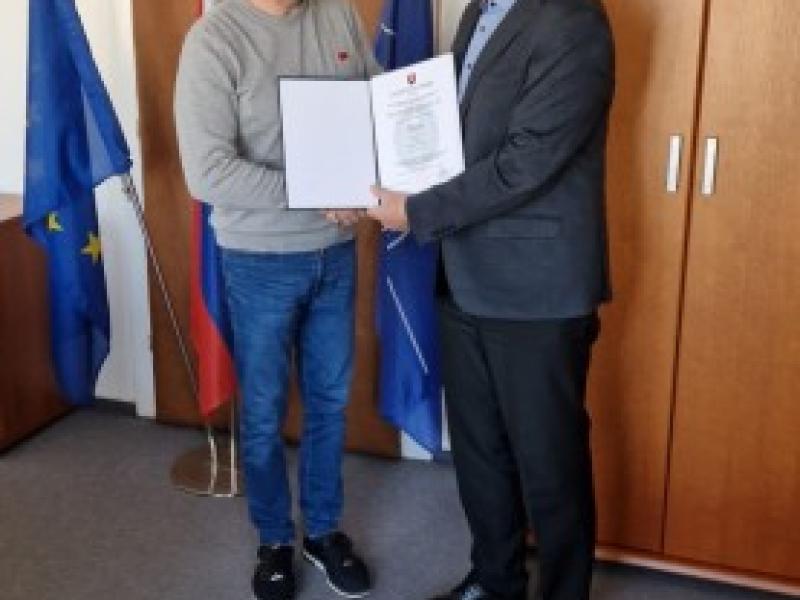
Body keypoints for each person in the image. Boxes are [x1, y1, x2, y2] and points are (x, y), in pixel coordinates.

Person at [368, 0, 614, 598]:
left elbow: (526, 161)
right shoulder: (481, 11)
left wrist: (416, 210)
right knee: (480, 452)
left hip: (538, 290)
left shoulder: (572, 19)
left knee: (549, 464)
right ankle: (496, 582)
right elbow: (453, 134)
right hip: (463, 271)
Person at [174, 1, 379, 599]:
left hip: (335, 253)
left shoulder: (338, 14)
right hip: (258, 258)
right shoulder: (214, 39)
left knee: (329, 403)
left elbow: (376, 112)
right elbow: (208, 172)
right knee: (263, 413)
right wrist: (317, 191)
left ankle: (323, 531)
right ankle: (274, 540)